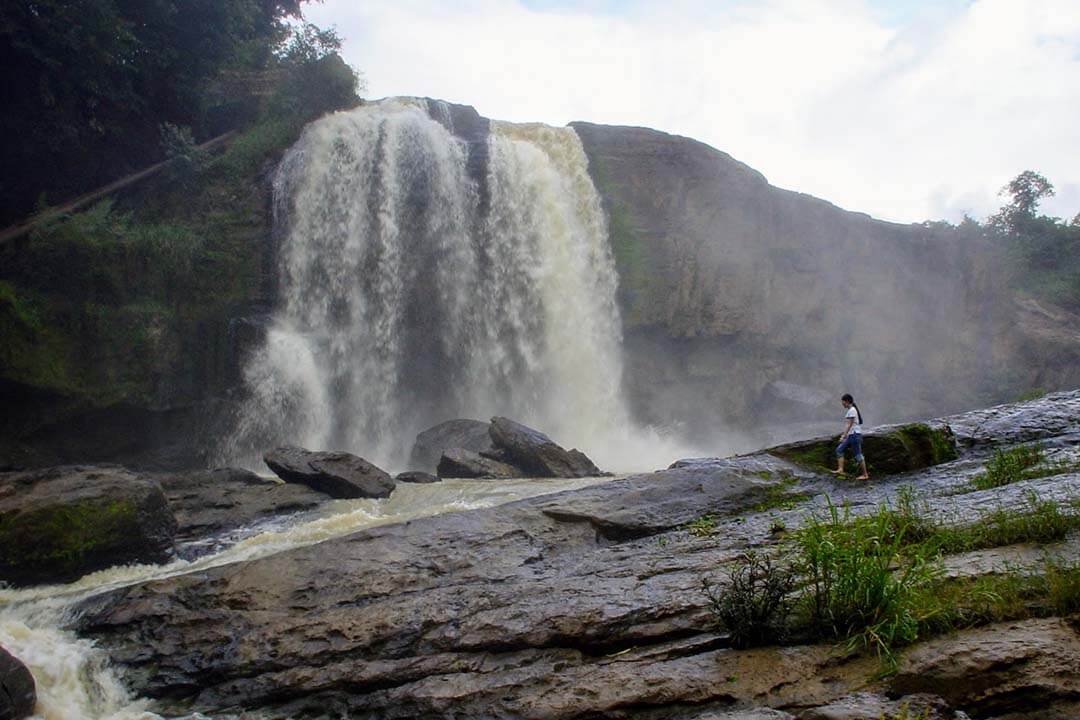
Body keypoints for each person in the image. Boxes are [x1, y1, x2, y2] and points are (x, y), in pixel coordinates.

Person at [831, 393, 869, 480]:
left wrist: (843, 436)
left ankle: (865, 474)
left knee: (858, 455)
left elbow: (849, 425)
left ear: (847, 401)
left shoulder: (852, 410)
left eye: (843, 401)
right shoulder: (851, 410)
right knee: (839, 450)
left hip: (854, 435)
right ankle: (840, 469)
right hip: (851, 435)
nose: (842, 403)